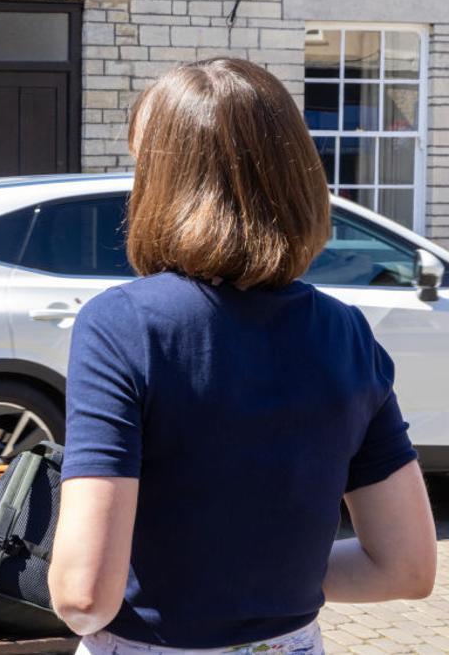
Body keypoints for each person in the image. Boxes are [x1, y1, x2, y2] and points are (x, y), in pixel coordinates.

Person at [47, 58, 437, 654]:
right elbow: (407, 566)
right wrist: (272, 581)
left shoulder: (122, 325)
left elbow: (83, 596)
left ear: (162, 181)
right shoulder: (347, 333)